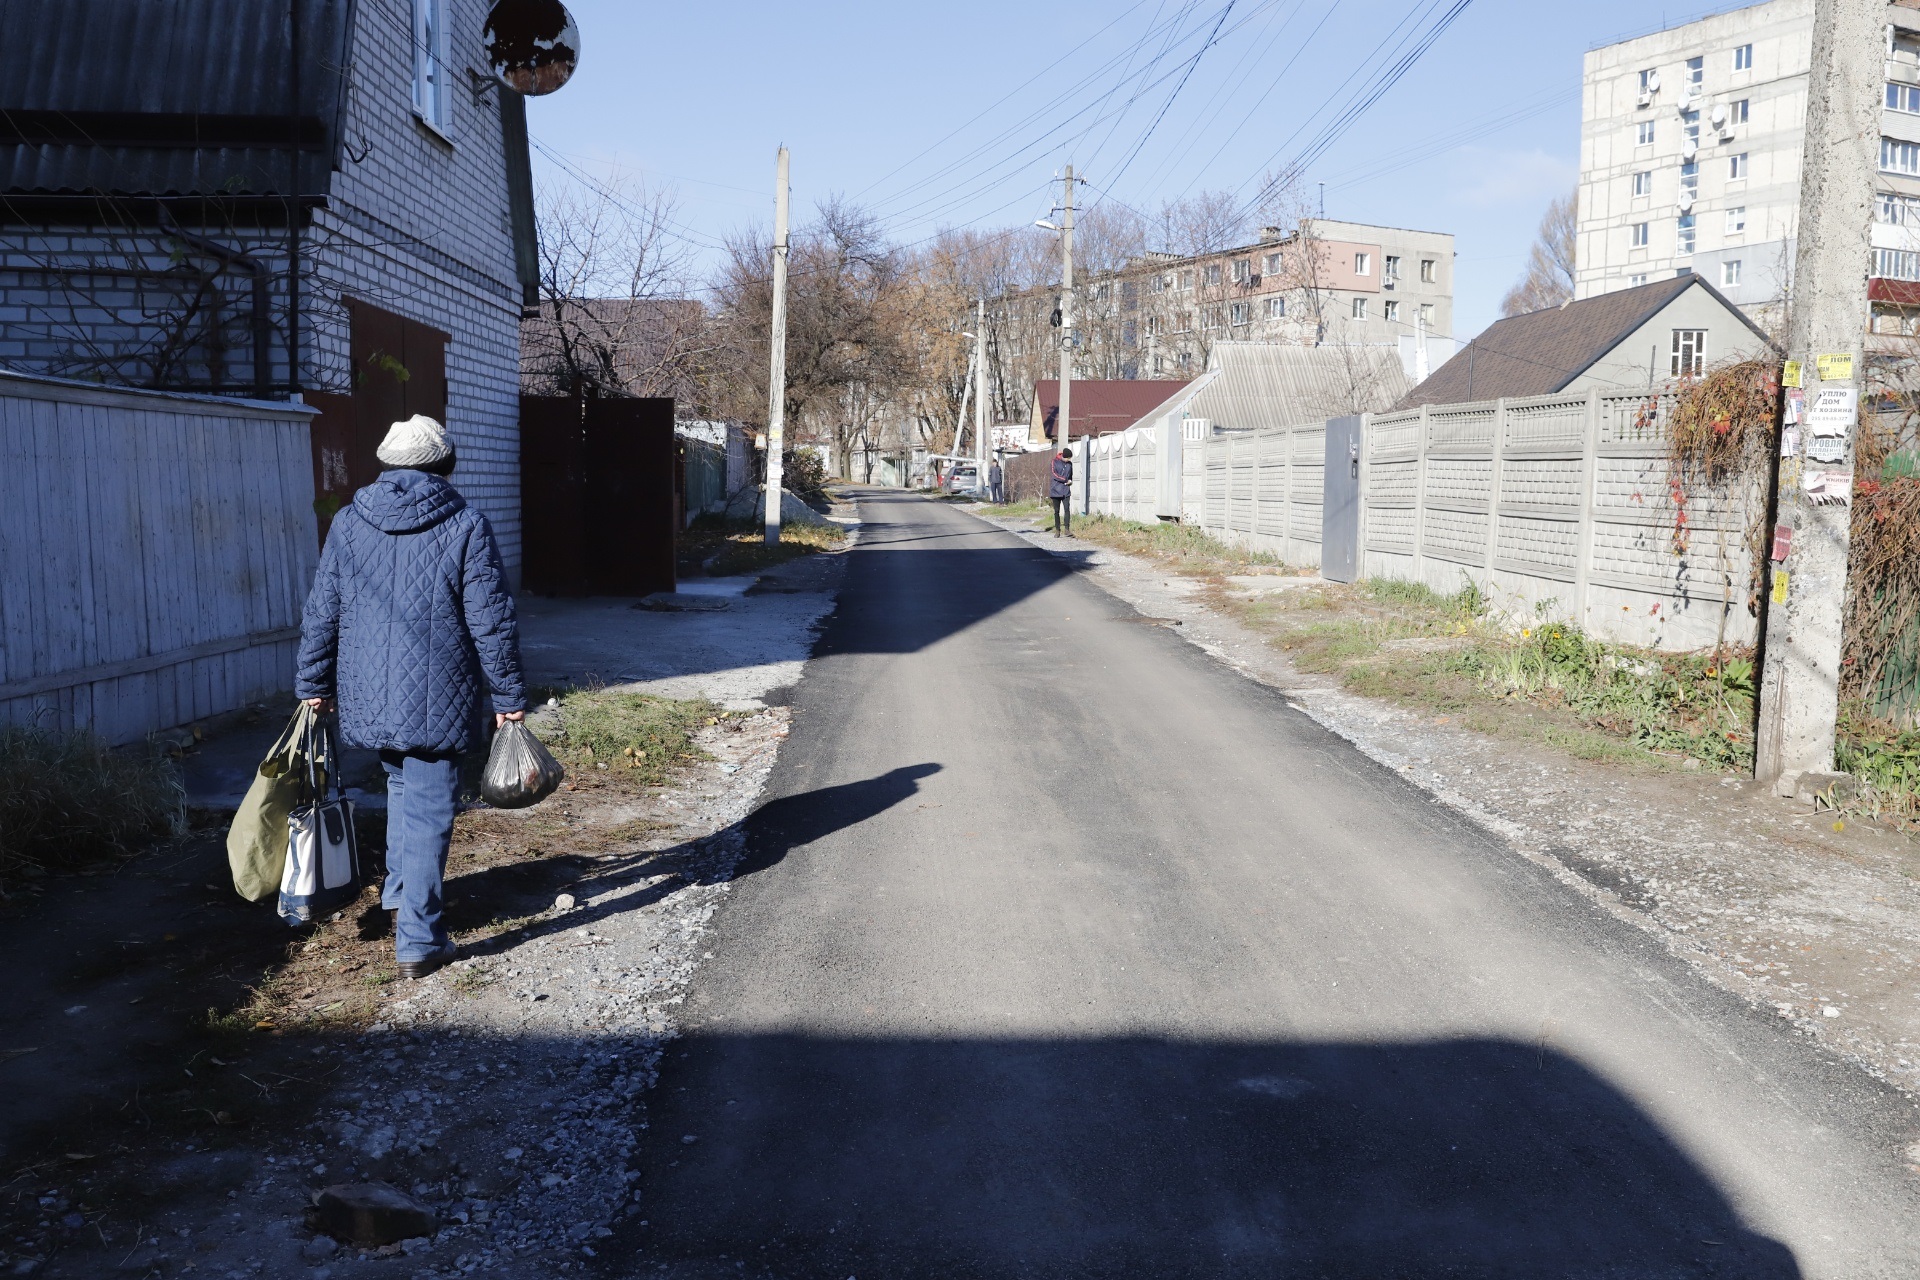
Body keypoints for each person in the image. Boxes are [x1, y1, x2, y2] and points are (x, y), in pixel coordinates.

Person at [295, 414, 526, 981]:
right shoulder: (466, 523)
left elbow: (323, 610)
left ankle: (400, 897)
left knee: (402, 784)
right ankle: (420, 939)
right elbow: (491, 622)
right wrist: (509, 694)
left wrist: (313, 685)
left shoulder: (350, 522)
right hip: (439, 693)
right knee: (426, 805)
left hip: (371, 691)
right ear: (442, 463)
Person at [1049, 446, 1074, 536]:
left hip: (1066, 491)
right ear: (1064, 456)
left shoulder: (1070, 464)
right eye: (1068, 458)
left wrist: (1070, 481)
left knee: (1067, 510)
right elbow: (1054, 475)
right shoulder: (1054, 462)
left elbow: (1070, 475)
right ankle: (1057, 530)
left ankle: (1067, 529)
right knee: (1057, 511)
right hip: (1056, 490)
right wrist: (1064, 479)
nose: (1069, 460)